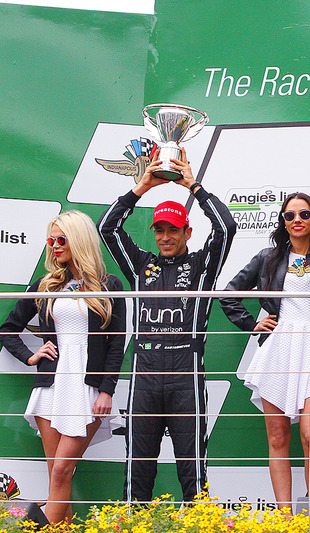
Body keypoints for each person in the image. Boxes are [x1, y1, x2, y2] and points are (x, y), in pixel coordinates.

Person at [97, 148, 236, 503]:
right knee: (137, 467)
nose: (165, 237)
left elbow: (226, 227)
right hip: (144, 375)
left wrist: (194, 186)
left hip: (185, 376)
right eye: (160, 230)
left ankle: (198, 526)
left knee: (193, 469)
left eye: (173, 230)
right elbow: (107, 227)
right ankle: (133, 526)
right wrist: (142, 187)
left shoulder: (203, 265)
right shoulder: (142, 266)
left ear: (187, 231)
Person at [219, 192, 310, 510]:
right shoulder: (268, 258)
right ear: (282, 221)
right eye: (289, 216)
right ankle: (285, 518)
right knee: (278, 439)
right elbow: (228, 294)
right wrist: (253, 324)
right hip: (277, 352)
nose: (297, 221)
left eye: (304, 215)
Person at [0, 211, 126, 525]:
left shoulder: (109, 286)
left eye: (62, 239)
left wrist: (107, 390)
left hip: (86, 389)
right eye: (51, 240)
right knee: (57, 474)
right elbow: (8, 328)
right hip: (50, 388)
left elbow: (116, 344)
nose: (55, 246)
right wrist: (30, 356)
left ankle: (37, 529)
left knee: (61, 470)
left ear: (79, 240)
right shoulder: (47, 285)